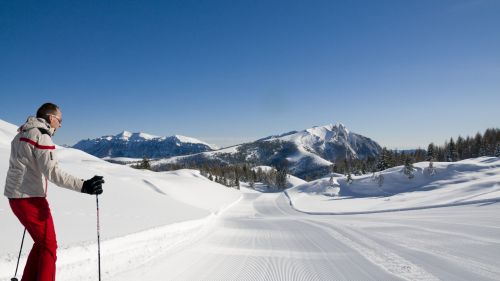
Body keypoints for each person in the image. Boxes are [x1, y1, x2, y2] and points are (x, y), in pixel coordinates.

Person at [4, 103, 105, 281]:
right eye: (60, 120)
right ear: (51, 118)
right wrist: (85, 185)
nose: (60, 125)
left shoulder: (21, 134)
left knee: (42, 243)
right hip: (30, 199)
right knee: (49, 246)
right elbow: (53, 173)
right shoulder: (41, 136)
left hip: (15, 198)